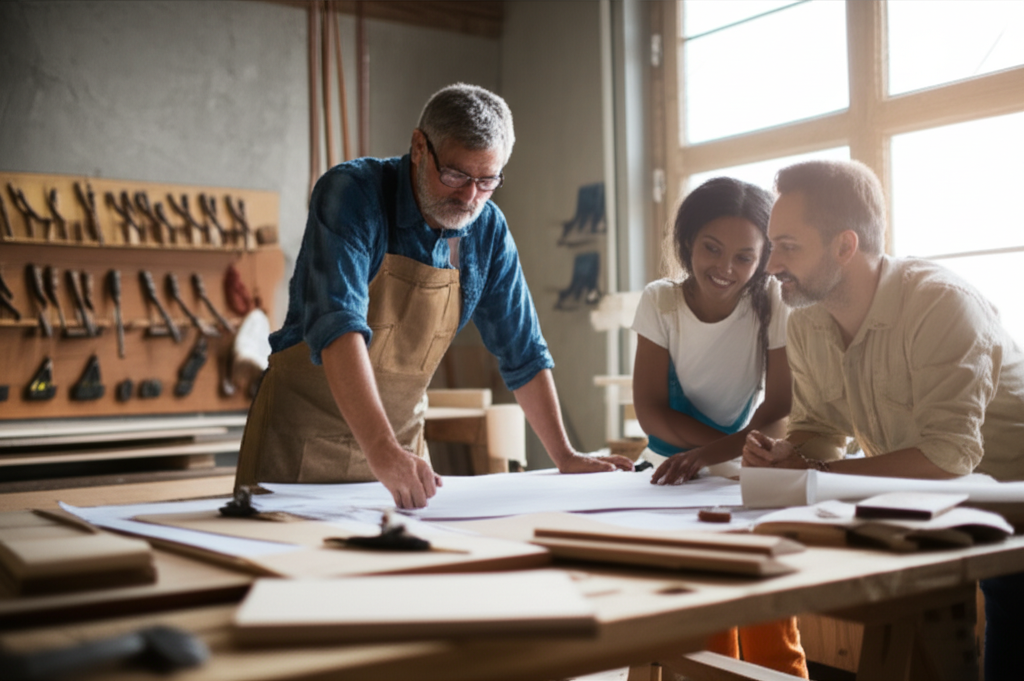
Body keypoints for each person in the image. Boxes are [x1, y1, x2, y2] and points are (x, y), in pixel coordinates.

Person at [235, 83, 632, 509]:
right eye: (456, 175)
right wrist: (381, 449)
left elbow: (524, 353)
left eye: (487, 180)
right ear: (420, 146)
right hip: (298, 447)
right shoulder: (352, 193)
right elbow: (338, 326)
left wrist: (566, 456)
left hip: (401, 457)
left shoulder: (488, 230)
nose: (469, 197)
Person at [741, 159, 1024, 681]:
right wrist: (792, 456)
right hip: (936, 519)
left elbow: (947, 458)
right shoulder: (804, 318)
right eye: (772, 244)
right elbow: (821, 430)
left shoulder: (941, 304)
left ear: (844, 246)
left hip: (1014, 518)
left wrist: (811, 477)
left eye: (788, 245)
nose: (769, 263)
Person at [630, 177, 807, 677]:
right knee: (701, 621)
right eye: (711, 248)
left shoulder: (771, 300)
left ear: (764, 259)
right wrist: (724, 451)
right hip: (667, 473)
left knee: (768, 608)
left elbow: (779, 407)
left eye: (744, 257)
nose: (725, 268)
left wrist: (720, 455)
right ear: (688, 242)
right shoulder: (661, 301)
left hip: (740, 469)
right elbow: (652, 413)